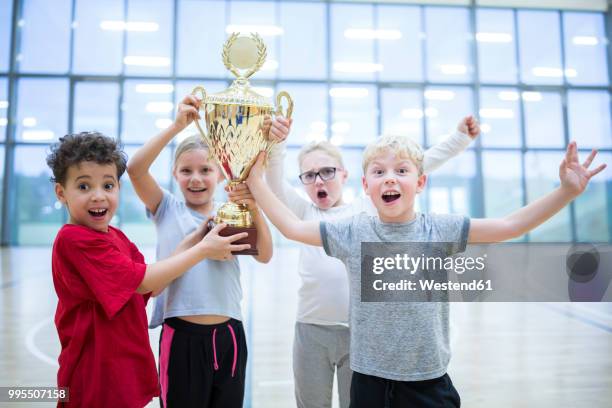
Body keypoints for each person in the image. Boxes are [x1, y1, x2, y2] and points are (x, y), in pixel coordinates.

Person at [245, 132, 605, 407]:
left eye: (401, 171)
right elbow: (292, 228)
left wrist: (566, 193)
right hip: (369, 382)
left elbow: (510, 225)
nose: (389, 178)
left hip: (428, 383)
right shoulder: (352, 231)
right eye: (379, 172)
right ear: (366, 187)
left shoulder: (441, 229)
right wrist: (256, 182)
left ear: (420, 182)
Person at [263, 117, 480, 408]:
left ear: (345, 175)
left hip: (361, 337)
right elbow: (274, 186)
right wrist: (276, 145)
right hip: (311, 329)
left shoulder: (365, 211)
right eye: (309, 175)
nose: (319, 180)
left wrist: (459, 139)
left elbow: (414, 163)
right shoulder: (304, 212)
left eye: (327, 171)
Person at [48, 132, 246, 407]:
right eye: (83, 187)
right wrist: (202, 250)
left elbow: (152, 285)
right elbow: (142, 282)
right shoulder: (74, 240)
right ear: (61, 192)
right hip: (92, 372)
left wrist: (197, 239)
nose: (98, 196)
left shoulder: (117, 237)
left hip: (123, 367)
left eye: (108, 185)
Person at [126, 94, 289, 407]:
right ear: (174, 175)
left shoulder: (231, 211)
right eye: (186, 171)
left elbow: (265, 254)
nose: (196, 178)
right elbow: (135, 169)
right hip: (181, 336)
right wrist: (176, 126)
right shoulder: (167, 209)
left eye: (205, 169)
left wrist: (253, 206)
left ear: (220, 173)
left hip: (230, 335)